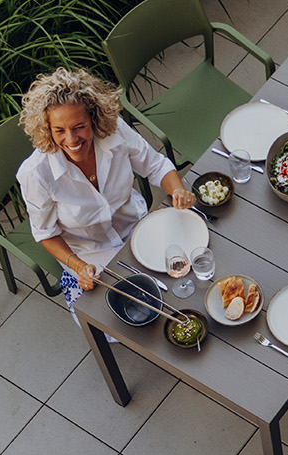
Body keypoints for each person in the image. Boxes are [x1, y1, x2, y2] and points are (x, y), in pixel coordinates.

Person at [16, 67, 195, 290]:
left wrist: (177, 190)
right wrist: (79, 267)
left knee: (190, 263)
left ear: (93, 118)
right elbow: (46, 233)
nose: (71, 139)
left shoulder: (114, 130)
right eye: (59, 130)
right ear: (47, 128)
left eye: (79, 127)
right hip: (91, 258)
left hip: (139, 229)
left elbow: (156, 166)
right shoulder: (35, 173)